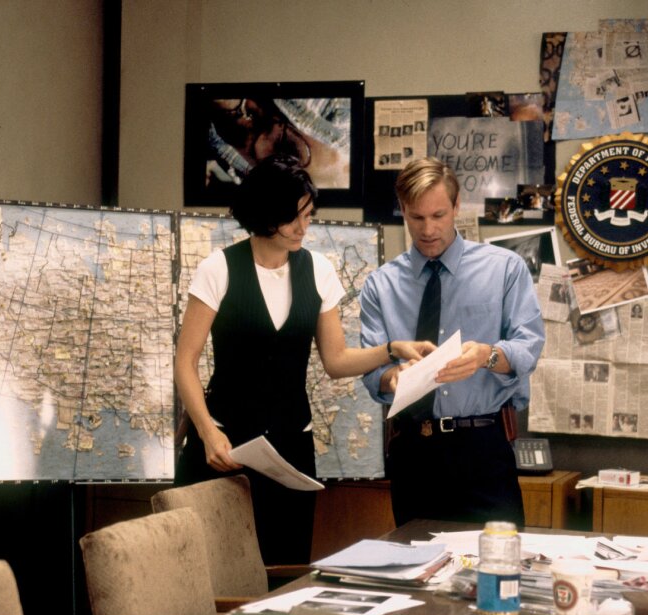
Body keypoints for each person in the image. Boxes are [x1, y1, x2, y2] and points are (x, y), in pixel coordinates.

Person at [174, 155, 433, 564]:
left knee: (285, 567)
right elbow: (185, 362)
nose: (303, 227)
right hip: (223, 447)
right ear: (265, 214)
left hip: (290, 451)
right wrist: (207, 432)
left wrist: (391, 349)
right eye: (292, 217)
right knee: (211, 572)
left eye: (307, 215)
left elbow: (336, 360)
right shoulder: (218, 268)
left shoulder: (318, 270)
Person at [360, 157, 545, 528]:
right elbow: (373, 372)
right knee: (415, 559)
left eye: (439, 215)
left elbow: (528, 347)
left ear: (457, 206)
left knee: (496, 559)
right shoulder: (380, 285)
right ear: (402, 211)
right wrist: (393, 378)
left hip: (483, 449)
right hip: (413, 453)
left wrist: (486, 355)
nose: (428, 230)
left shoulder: (504, 268)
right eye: (417, 217)